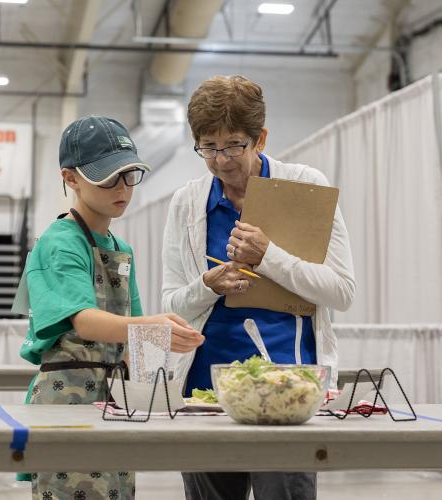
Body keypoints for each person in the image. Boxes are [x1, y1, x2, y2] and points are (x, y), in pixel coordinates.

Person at [161, 75, 356, 500]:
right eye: (208, 148)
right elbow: (170, 304)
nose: (222, 161)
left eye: (233, 145)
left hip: (289, 389)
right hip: (205, 394)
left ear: (260, 138)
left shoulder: (305, 186)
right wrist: (207, 285)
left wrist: (268, 256)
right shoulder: (187, 202)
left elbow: (341, 290)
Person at [18, 115, 205, 500]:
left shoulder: (120, 250)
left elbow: (131, 328)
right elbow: (84, 321)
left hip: (113, 400)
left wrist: (159, 381)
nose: (122, 188)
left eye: (129, 175)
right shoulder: (60, 243)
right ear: (70, 178)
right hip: (67, 399)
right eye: (107, 178)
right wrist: (154, 327)